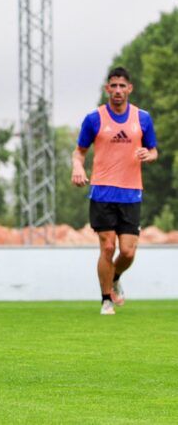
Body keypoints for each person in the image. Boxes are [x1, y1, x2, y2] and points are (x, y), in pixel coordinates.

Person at [71, 66, 158, 315]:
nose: (118, 90)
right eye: (113, 85)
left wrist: (148, 155)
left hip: (131, 193)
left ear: (130, 89)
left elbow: (153, 150)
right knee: (107, 247)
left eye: (122, 86)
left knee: (128, 252)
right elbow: (79, 152)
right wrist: (77, 167)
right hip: (102, 192)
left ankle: (116, 277)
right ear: (107, 89)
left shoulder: (142, 118)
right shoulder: (94, 119)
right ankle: (105, 300)